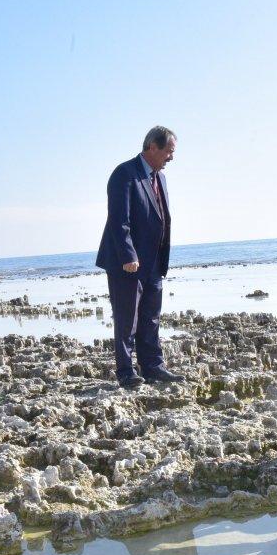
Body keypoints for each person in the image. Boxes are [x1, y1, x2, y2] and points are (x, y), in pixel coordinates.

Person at [96, 126, 184, 388]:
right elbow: (118, 220)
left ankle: (153, 367)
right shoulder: (124, 174)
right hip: (128, 262)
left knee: (151, 317)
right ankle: (126, 372)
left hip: (154, 262)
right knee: (127, 319)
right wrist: (128, 255)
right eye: (168, 151)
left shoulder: (161, 178)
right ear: (152, 147)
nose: (171, 157)